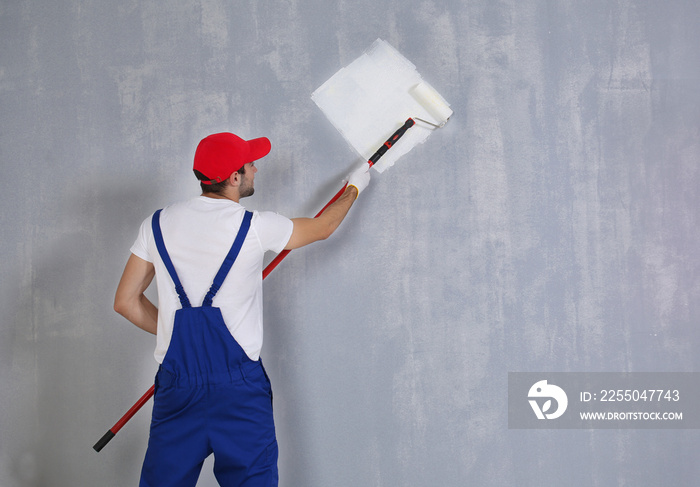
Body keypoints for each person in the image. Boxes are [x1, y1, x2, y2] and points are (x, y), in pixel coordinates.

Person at [113, 132, 370, 486]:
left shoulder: (155, 225)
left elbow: (125, 302)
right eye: (250, 164)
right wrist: (354, 187)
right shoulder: (256, 227)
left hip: (177, 389)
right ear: (234, 178)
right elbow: (324, 227)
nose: (256, 168)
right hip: (238, 391)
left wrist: (171, 334)